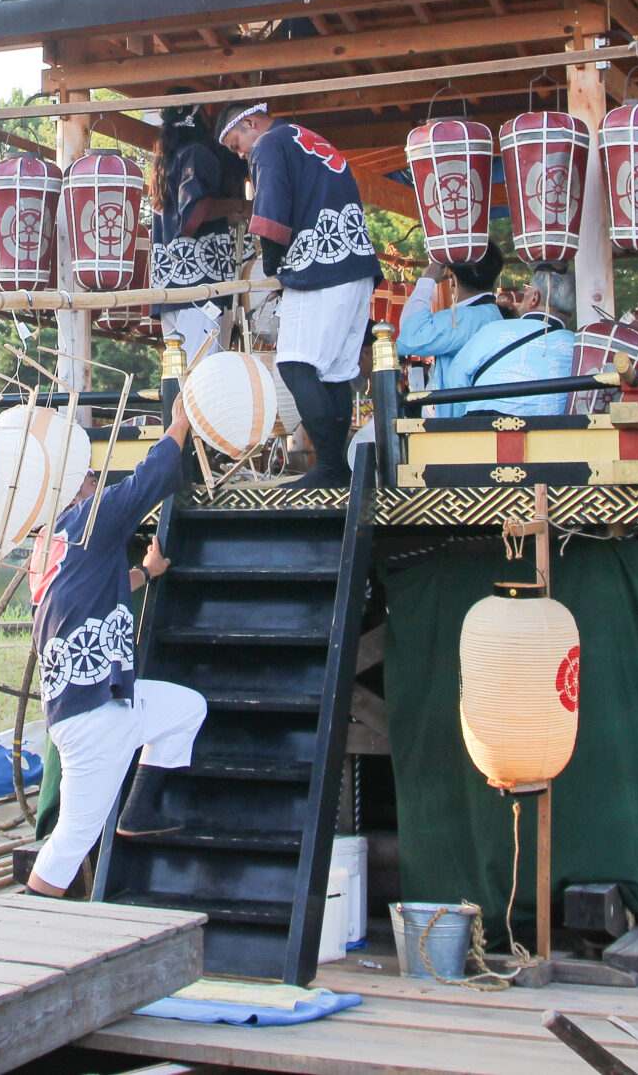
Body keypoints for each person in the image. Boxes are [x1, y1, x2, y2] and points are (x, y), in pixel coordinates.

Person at [26, 405, 207, 898]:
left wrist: (146, 574)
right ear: (76, 489)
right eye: (88, 477)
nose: (95, 482)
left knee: (187, 707)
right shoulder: (91, 518)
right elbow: (155, 475)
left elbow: (94, 592)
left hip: (97, 704)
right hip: (92, 714)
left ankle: (140, 808)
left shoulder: (49, 545)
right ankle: (25, 918)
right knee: (75, 835)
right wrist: (180, 420)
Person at [220, 105, 379, 489]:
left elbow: (271, 208)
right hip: (355, 265)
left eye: (237, 143)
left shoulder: (270, 144)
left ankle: (329, 465)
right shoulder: (310, 139)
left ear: (250, 123)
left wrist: (273, 264)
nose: (241, 154)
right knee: (335, 373)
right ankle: (336, 466)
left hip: (319, 265)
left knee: (295, 365)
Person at [397, 246, 577, 417]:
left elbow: (409, 338)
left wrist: (427, 279)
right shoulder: (577, 344)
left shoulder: (478, 323)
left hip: (479, 429)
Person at [148, 103, 249, 370]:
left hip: (169, 286)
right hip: (199, 287)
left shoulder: (166, 160)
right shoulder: (196, 154)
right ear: (199, 117)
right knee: (202, 377)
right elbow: (192, 216)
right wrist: (238, 206)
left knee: (180, 377)